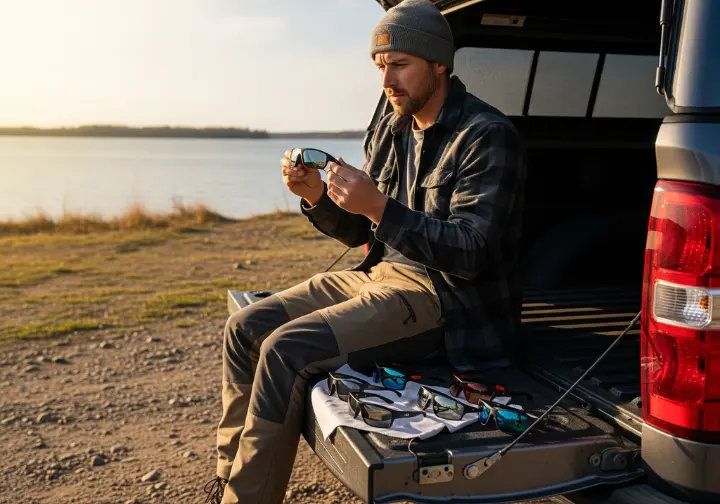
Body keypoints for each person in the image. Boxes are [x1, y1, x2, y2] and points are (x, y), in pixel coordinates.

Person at [203, 0, 526, 502]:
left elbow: (470, 253)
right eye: (380, 66)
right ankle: (229, 477)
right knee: (244, 329)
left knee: (286, 350)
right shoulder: (393, 125)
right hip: (378, 273)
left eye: (399, 64)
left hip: (443, 299)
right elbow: (362, 235)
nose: (386, 80)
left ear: (439, 64)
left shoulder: (486, 135)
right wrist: (316, 196)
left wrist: (380, 208)